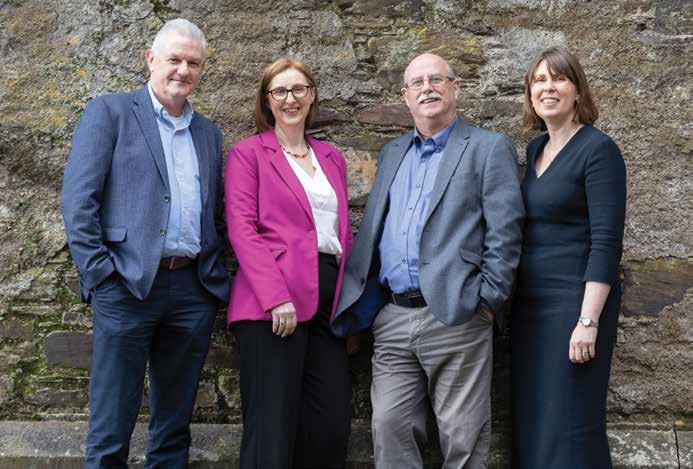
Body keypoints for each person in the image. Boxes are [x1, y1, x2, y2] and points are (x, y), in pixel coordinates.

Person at [332, 53, 525, 468]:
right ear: (405, 95)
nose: (427, 88)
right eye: (417, 83)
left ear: (456, 87)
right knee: (389, 428)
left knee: (463, 438)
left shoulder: (488, 148)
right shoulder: (392, 152)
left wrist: (486, 301)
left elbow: (506, 232)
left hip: (458, 314)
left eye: (436, 79)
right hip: (393, 317)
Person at [60, 19, 229, 468]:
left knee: (174, 426)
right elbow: (78, 201)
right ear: (151, 59)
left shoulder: (208, 133)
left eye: (194, 63)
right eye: (174, 59)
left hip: (191, 290)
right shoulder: (110, 112)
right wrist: (101, 276)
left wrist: (210, 282)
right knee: (112, 421)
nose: (183, 70)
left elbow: (214, 213)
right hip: (126, 286)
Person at [225, 58, 353, 469]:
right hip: (272, 303)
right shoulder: (248, 154)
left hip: (328, 300)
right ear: (267, 101)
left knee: (330, 424)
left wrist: (350, 302)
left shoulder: (331, 157)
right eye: (279, 91)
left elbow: (342, 233)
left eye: (298, 89)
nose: (290, 99)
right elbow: (242, 228)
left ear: (312, 95)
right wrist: (275, 296)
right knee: (272, 430)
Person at [510, 46, 627, 468]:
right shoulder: (535, 150)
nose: (548, 87)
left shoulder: (599, 150)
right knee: (535, 422)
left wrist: (587, 322)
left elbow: (607, 242)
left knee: (571, 423)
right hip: (530, 308)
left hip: (574, 306)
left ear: (577, 91)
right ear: (530, 93)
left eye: (558, 78)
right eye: (539, 80)